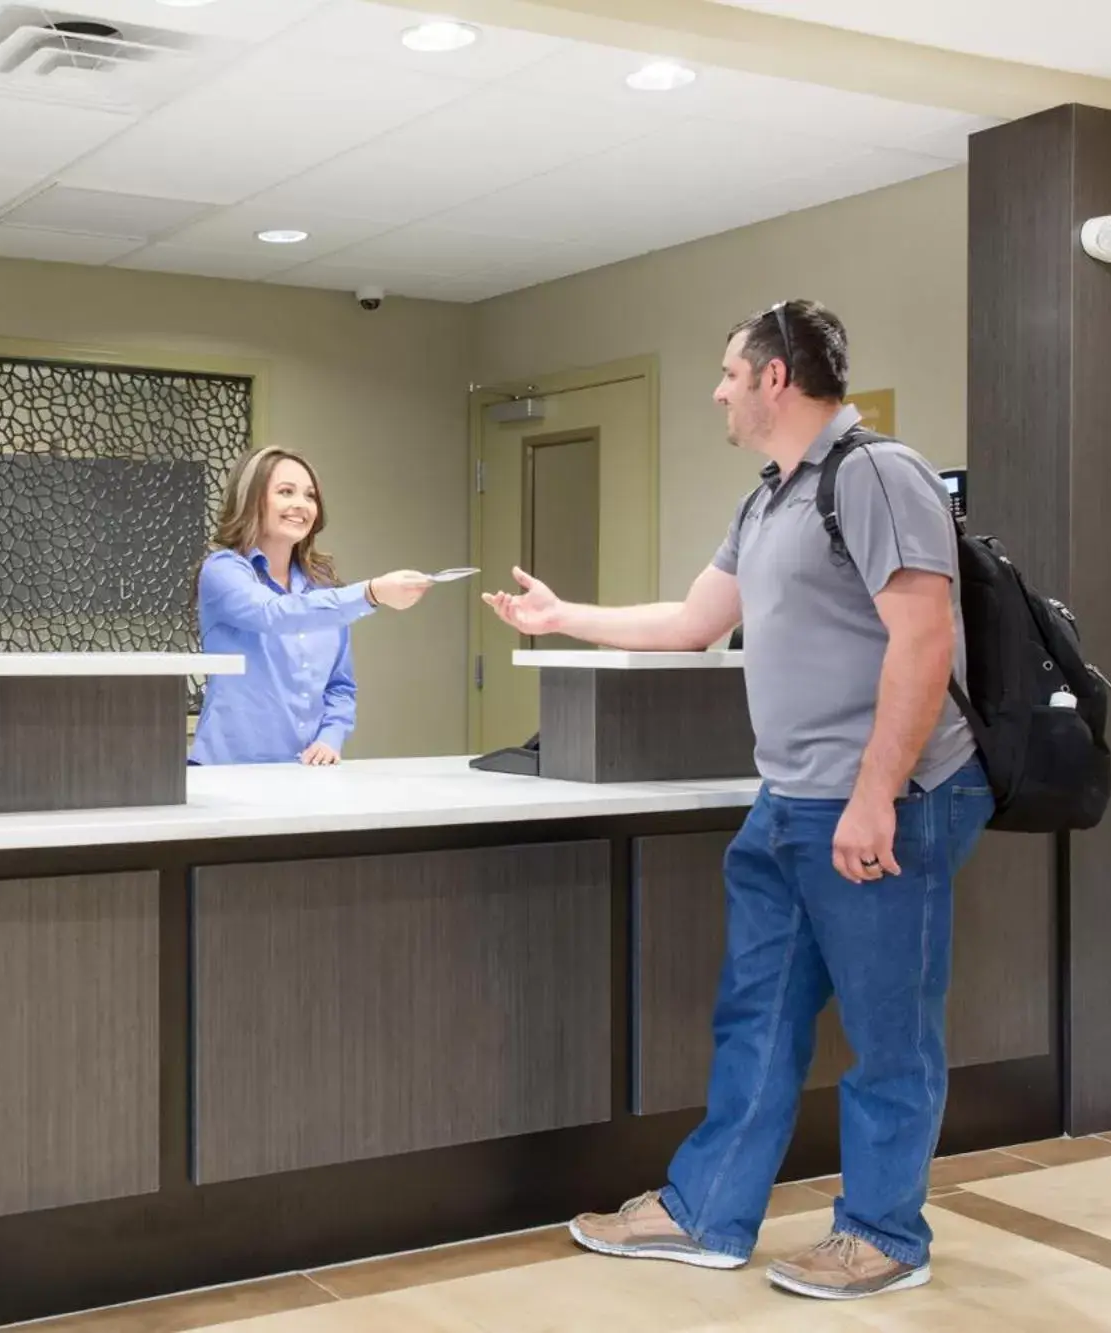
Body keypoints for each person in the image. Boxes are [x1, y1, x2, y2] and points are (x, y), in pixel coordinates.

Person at [485, 299, 990, 1301]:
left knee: (890, 1032)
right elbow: (688, 620)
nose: (715, 389)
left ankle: (883, 1234)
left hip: (885, 802)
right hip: (786, 804)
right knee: (753, 1015)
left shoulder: (875, 475)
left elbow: (922, 640)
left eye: (726, 372)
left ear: (774, 377)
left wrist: (873, 796)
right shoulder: (767, 499)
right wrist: (558, 616)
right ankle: (708, 1211)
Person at [190, 446, 432, 766]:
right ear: (251, 500)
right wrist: (371, 593)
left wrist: (330, 738)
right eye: (285, 492)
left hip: (304, 775)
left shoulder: (322, 588)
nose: (301, 505)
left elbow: (340, 686)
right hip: (229, 771)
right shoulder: (223, 570)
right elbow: (275, 614)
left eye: (310, 496)